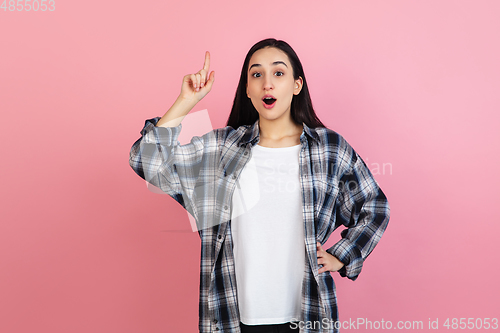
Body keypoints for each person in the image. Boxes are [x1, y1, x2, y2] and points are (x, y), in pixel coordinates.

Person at [129, 38, 390, 333]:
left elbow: (374, 206)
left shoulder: (328, 148)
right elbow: (147, 162)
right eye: (257, 75)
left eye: (278, 73)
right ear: (248, 89)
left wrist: (342, 257)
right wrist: (186, 102)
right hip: (231, 317)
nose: (267, 83)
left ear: (296, 85)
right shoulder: (221, 148)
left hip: (306, 315)